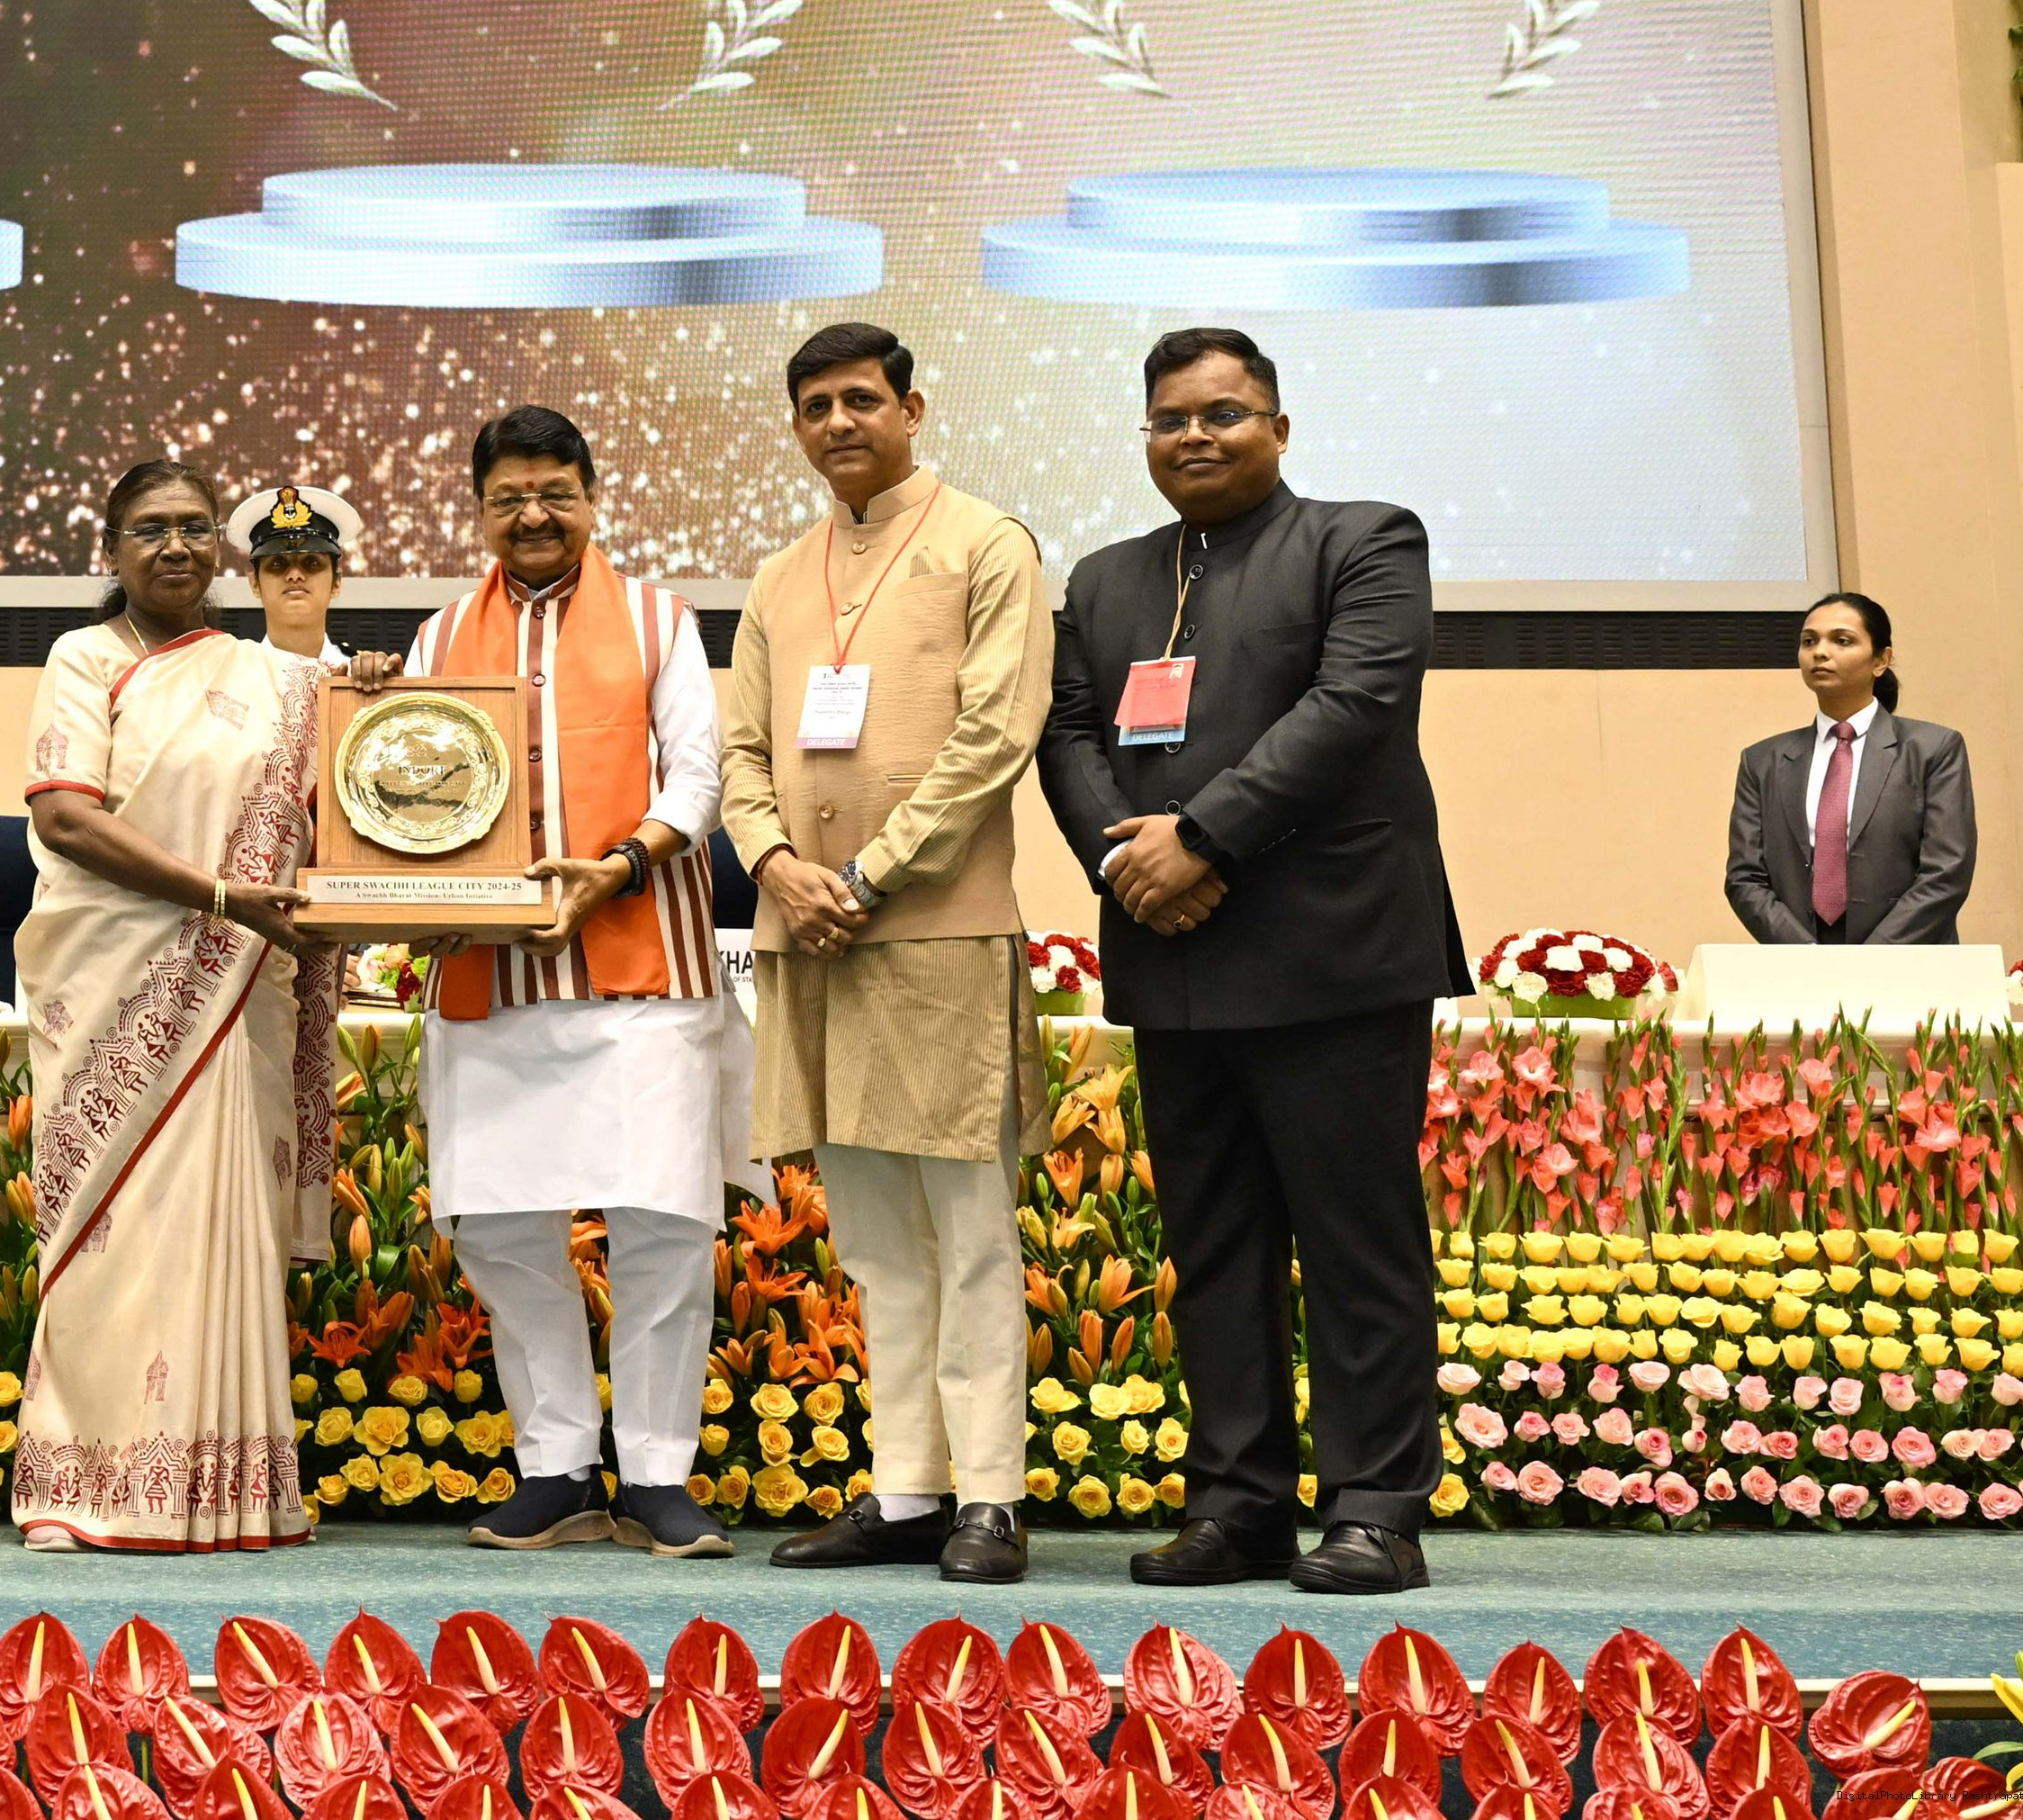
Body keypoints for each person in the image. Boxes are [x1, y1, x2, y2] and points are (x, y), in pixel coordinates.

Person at [1040, 328, 1466, 1597]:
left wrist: (1200, 836)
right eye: (1170, 417)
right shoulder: (1107, 577)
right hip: (1174, 949)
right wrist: (1131, 860)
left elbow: (1355, 703)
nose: (1196, 435)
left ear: (1278, 427)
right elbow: (1067, 733)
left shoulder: (1363, 539)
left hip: (1332, 945)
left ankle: (1376, 1506)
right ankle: (1238, 1505)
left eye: (1222, 412)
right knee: (1213, 1245)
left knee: (1355, 1240)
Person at [724, 323, 1055, 1585]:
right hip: (808, 932)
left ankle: (991, 1496)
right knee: (869, 1235)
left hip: (934, 925)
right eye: (815, 405)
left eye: (861, 398)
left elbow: (996, 731)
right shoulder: (779, 574)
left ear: (913, 408)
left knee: (968, 1230)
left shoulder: (985, 541)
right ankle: (908, 1487)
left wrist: (867, 872)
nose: (838, 422)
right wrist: (776, 863)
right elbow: (740, 751)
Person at [407, 405, 738, 1563]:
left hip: (641, 965)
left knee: (661, 1220)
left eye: (555, 491)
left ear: (592, 499)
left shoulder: (661, 618)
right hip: (489, 973)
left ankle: (655, 1472)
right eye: (509, 497)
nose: (533, 514)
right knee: (502, 1224)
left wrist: (619, 865)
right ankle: (554, 1466)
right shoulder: (436, 636)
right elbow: (398, 794)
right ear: (479, 511)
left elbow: (699, 777)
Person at [13, 459, 340, 1551]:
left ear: (221, 548)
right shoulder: (84, 657)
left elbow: (338, 802)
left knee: (216, 1229)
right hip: (109, 980)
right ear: (111, 549)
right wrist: (220, 895)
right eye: (150, 528)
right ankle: (85, 1480)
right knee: (110, 1232)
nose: (176, 546)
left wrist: (367, 701)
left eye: (196, 527)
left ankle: (223, 1487)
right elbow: (65, 817)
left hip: (240, 990)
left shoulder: (279, 678)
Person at [1724, 592, 1975, 944]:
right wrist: (1808, 956)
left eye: (1842, 641)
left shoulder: (1933, 749)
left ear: (1880, 660)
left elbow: (1947, 871)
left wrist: (1869, 959)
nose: (1820, 652)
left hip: (1909, 959)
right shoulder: (1762, 761)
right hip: (1800, 963)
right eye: (1809, 641)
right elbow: (1744, 878)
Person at [225, 481, 366, 666]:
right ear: (254, 583)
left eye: (311, 563)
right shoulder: (232, 676)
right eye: (278, 564)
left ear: (337, 582)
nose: (295, 575)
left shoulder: (359, 677)